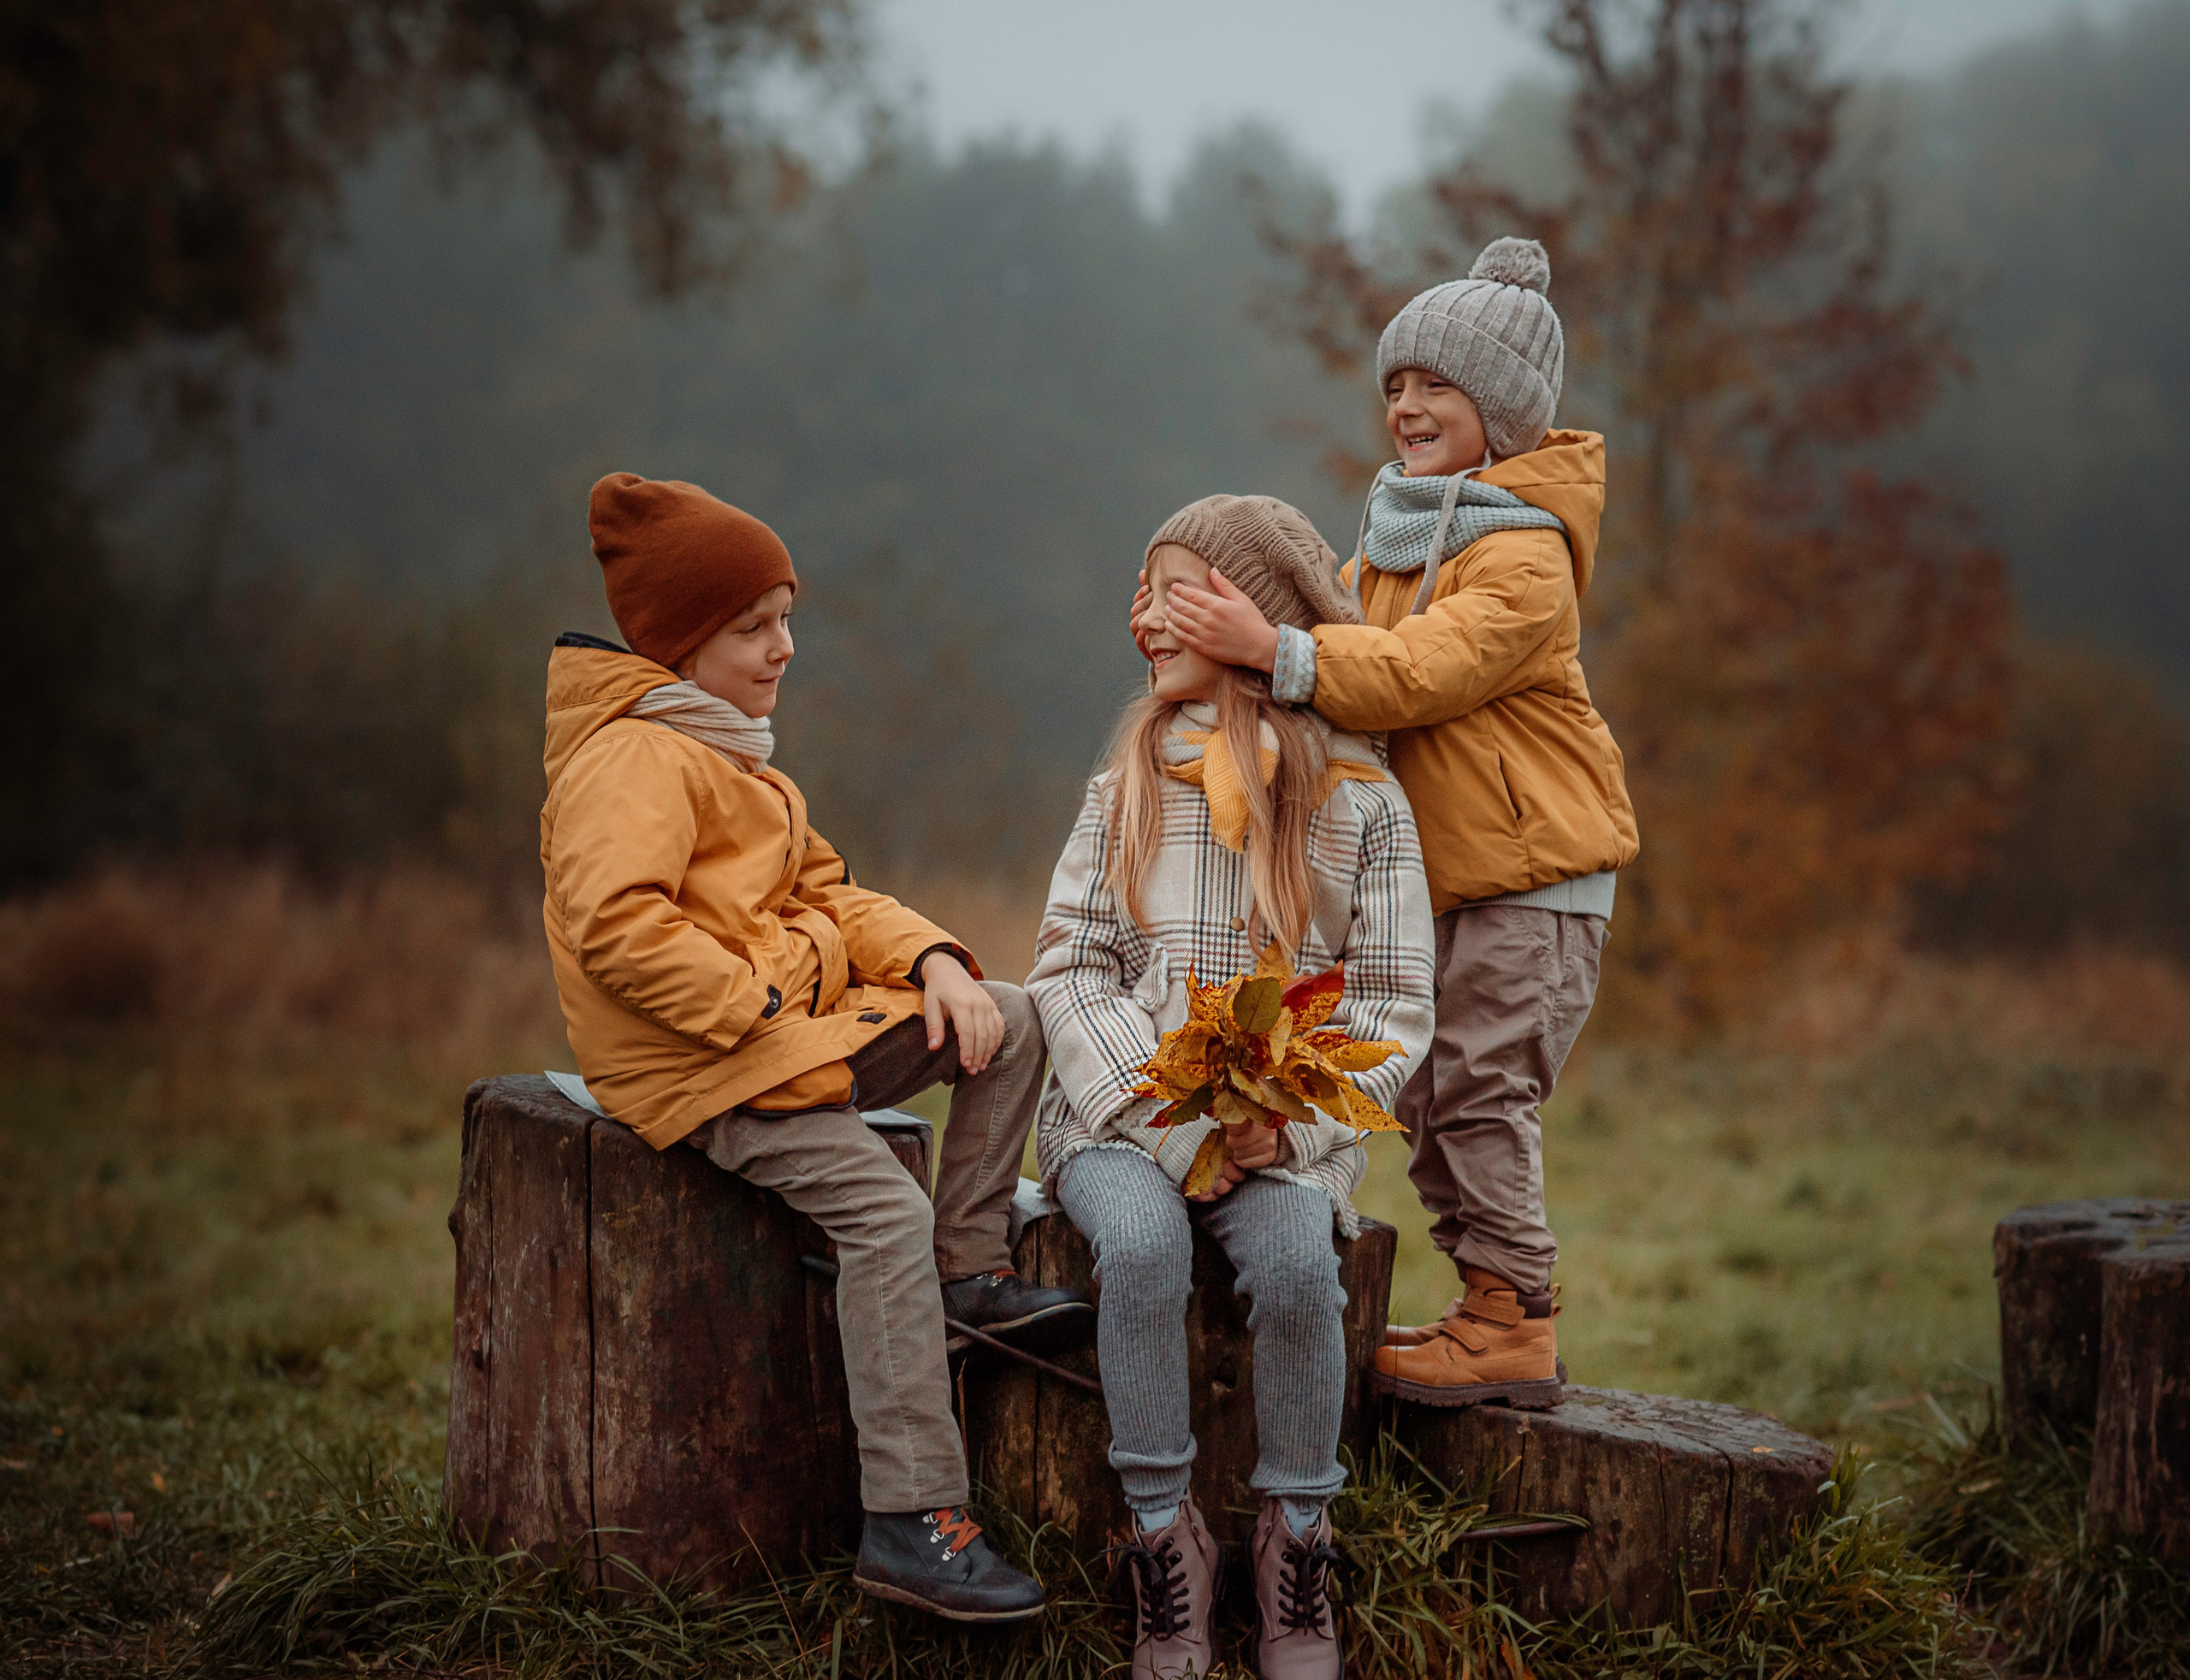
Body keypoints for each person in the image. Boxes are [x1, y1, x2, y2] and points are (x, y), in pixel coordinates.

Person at [540, 472, 1088, 1622]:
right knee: (879, 1209)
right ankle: (913, 1518)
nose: (784, 646)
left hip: (779, 1039)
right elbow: (618, 927)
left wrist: (939, 960)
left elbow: (831, 896)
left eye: (787, 618)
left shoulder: (732, 756)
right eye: (753, 626)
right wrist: (761, 1009)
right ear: (682, 641)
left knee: (1017, 1015)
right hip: (705, 1068)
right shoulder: (633, 761)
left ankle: (967, 1274)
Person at [1149, 238, 1641, 1409]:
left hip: (1534, 879)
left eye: (1438, 388)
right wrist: (1244, 674)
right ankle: (1485, 1300)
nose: (1407, 408)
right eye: (1395, 389)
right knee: (1426, 1100)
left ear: (1507, 411)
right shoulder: (1401, 534)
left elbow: (1419, 671)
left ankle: (1514, 1319)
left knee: (1479, 1095)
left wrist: (1279, 653)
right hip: (1452, 885)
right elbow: (1339, 636)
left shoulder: (1524, 552)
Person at [1030, 495, 1435, 1680]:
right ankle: (1165, 1542)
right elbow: (1068, 963)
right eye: (1139, 592)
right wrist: (1158, 1109)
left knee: (1305, 1270)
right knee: (1145, 1254)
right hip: (1119, 1126)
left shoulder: (1359, 803)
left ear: (1256, 612)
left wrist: (1284, 1125)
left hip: (1277, 1140)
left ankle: (1297, 1541)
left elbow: (1393, 1001)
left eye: (1174, 590)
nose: (1142, 616)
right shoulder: (1129, 787)